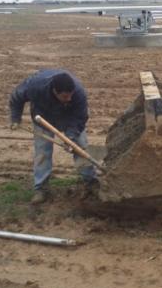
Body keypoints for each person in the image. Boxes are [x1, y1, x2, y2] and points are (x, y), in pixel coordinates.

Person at [8, 69, 98, 204]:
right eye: (65, 97)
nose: (69, 99)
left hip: (69, 118)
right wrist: (16, 118)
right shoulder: (35, 86)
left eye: (70, 96)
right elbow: (16, 97)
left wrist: (70, 138)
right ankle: (41, 189)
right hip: (43, 118)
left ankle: (91, 182)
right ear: (55, 92)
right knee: (42, 152)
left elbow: (80, 117)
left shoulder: (78, 92)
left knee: (81, 148)